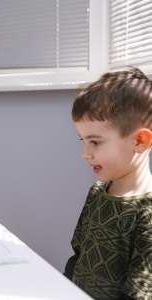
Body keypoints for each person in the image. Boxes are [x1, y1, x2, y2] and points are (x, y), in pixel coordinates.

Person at [64, 66, 152, 300]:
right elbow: (78, 256)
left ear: (140, 141)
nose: (85, 153)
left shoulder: (147, 214)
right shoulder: (96, 193)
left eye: (95, 142)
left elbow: (138, 293)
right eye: (83, 141)